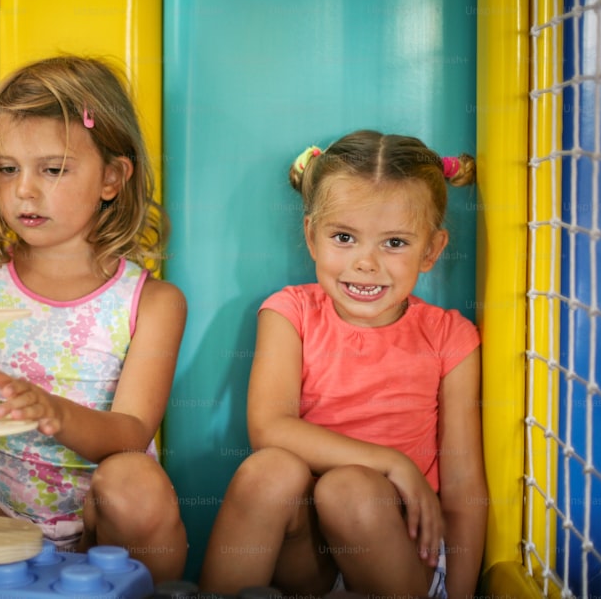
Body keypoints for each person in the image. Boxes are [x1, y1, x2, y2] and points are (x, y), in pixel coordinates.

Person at [0, 55, 188, 581]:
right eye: (7, 168)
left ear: (112, 177)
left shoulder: (152, 302)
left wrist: (55, 413)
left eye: (53, 169)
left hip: (100, 521)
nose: (23, 190)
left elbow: (131, 435)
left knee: (137, 484)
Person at [199, 131, 487, 597]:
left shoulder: (451, 337)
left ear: (432, 251)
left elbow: (463, 484)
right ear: (312, 237)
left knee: (347, 490)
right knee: (268, 470)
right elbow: (269, 428)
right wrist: (391, 462)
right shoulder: (289, 312)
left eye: (394, 243)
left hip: (403, 556)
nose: (366, 263)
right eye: (344, 237)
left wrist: (462, 592)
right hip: (309, 558)